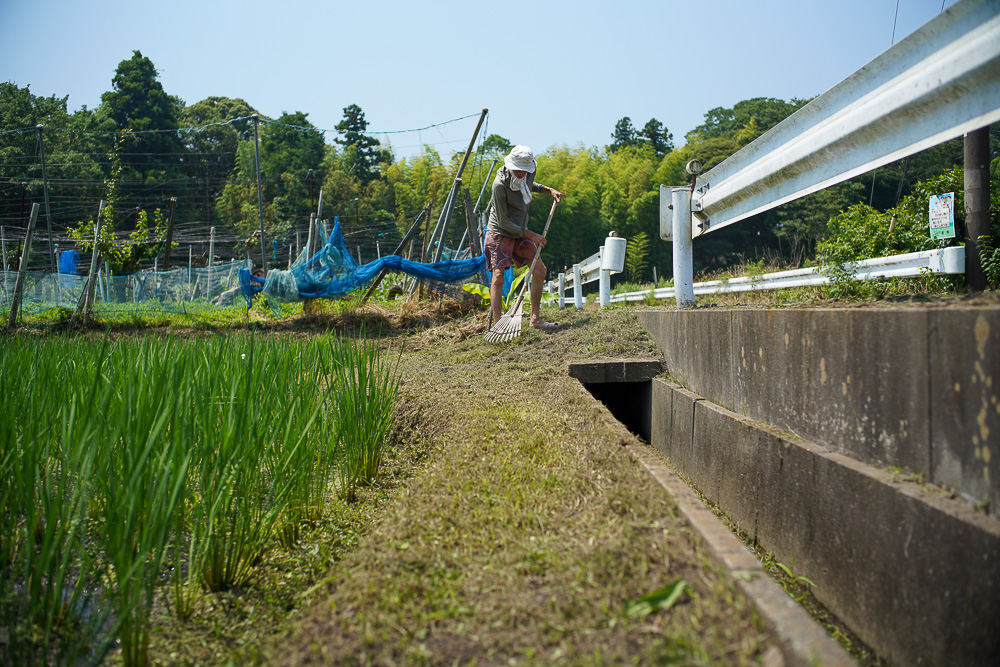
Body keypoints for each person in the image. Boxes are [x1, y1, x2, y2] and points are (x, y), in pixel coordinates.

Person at [484, 145, 563, 330]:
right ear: (511, 166)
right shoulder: (499, 186)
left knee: (540, 269)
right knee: (498, 277)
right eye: (518, 170)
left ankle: (535, 319)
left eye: (524, 171)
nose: (521, 174)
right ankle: (498, 325)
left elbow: (529, 186)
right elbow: (503, 222)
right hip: (500, 231)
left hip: (520, 230)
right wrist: (532, 235)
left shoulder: (527, 172)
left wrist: (549, 190)